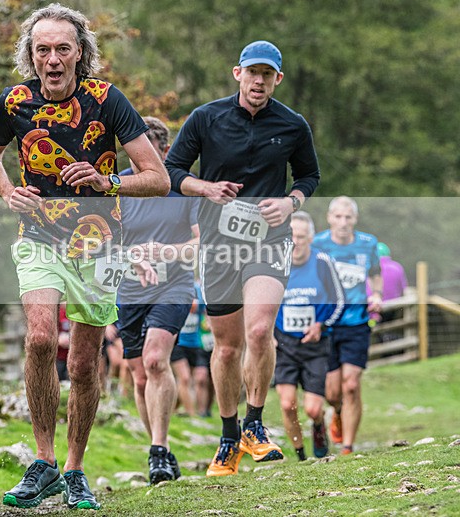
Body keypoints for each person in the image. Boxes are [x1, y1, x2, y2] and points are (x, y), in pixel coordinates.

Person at [0, 4, 170, 510]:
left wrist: (105, 180)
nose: (52, 59)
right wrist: (7, 192)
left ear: (80, 53)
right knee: (41, 338)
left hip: (99, 244)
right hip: (38, 236)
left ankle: (73, 468)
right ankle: (43, 460)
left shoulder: (107, 100)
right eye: (42, 49)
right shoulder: (14, 102)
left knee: (86, 363)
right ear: (31, 55)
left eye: (62, 49)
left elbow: (158, 179)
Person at [164, 40, 320, 476]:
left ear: (277, 79)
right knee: (228, 347)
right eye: (252, 72)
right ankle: (229, 435)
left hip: (269, 241)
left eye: (267, 75)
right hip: (219, 245)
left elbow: (309, 175)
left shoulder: (293, 125)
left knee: (259, 330)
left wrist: (290, 202)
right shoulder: (206, 118)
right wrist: (206, 188)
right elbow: (173, 172)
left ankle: (254, 423)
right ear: (238, 74)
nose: (258, 81)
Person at [115, 116, 199, 484]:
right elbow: (99, 240)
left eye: (147, 150)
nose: (140, 158)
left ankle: (159, 449)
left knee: (154, 360)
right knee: (138, 376)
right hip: (128, 290)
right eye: (134, 151)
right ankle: (158, 450)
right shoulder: (117, 187)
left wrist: (168, 252)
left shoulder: (182, 188)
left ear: (163, 152)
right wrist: (131, 256)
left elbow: (203, 243)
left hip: (173, 285)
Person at [313, 196, 382, 455]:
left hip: (357, 322)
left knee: (351, 385)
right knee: (332, 393)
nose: (343, 222)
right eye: (338, 217)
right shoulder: (317, 244)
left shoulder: (368, 243)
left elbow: (375, 273)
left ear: (355, 219)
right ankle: (338, 412)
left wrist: (377, 295)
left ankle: (348, 447)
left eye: (348, 217)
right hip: (328, 324)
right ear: (329, 218)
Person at [274, 211, 344, 461]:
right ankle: (301, 456)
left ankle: (318, 426)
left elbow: (339, 301)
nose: (296, 241)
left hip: (315, 345)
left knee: (313, 409)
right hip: (284, 344)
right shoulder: (276, 264)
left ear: (311, 238)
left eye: (301, 236)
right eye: (291, 236)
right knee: (287, 404)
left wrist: (321, 326)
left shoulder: (322, 262)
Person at [171, 281, 214, 418]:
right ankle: (192, 415)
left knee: (201, 378)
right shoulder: (172, 289)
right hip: (178, 342)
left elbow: (206, 313)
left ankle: (201, 413)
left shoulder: (200, 291)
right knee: (184, 378)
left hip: (196, 343)